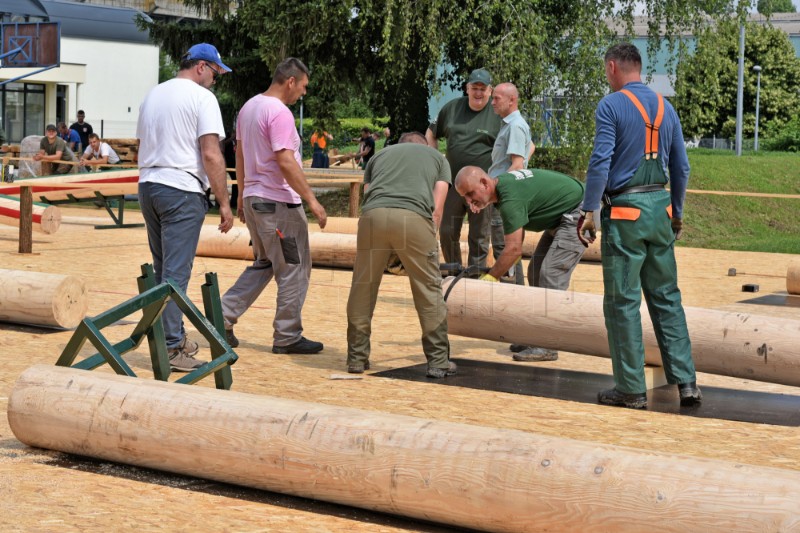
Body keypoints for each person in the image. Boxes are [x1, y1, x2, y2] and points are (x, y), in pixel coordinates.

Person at [577, 42, 701, 409]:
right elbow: (681, 168)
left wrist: (588, 212)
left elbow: (600, 162)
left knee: (622, 302)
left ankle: (630, 389)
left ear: (612, 67)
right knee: (667, 299)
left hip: (626, 213)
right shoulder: (667, 107)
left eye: (605, 70)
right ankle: (687, 383)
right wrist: (675, 212)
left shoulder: (611, 105)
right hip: (660, 209)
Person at [136, 42, 234, 372]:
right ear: (202, 67)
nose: (216, 80)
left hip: (149, 185)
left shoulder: (154, 94)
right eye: (216, 72)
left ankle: (173, 336)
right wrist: (224, 201)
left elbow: (143, 143)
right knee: (176, 273)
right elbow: (210, 153)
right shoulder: (201, 97)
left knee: (163, 268)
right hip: (181, 189)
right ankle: (169, 347)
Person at [220, 57, 328, 355]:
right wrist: (312, 200)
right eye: (303, 87)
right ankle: (287, 335)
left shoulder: (248, 108)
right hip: (280, 206)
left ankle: (222, 314)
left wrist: (242, 196)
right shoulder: (279, 113)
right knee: (294, 267)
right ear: (290, 81)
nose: (303, 93)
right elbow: (284, 160)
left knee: (266, 262)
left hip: (257, 202)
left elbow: (240, 156)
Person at [346, 132, 454, 378]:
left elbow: (369, 194)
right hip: (414, 217)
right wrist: (428, 242)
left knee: (363, 287)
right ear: (423, 146)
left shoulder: (379, 156)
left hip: (373, 216)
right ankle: (438, 361)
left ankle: (356, 358)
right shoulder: (438, 158)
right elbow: (437, 208)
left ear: (400, 144)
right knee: (428, 290)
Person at [455, 166, 587, 362]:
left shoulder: (509, 199)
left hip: (579, 213)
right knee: (535, 272)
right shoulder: (503, 191)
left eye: (470, 194)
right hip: (562, 217)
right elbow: (517, 238)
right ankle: (536, 337)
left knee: (550, 274)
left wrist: (492, 276)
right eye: (464, 198)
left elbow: (514, 249)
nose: (468, 201)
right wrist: (502, 268)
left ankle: (547, 345)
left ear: (484, 183)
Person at [426, 68, 501, 269]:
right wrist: (436, 163)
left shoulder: (497, 114)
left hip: (481, 188)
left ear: (490, 90)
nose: (478, 93)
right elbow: (430, 134)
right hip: (452, 183)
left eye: (482, 89)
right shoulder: (452, 108)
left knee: (479, 235)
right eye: (474, 88)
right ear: (467, 88)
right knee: (447, 231)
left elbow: (521, 145)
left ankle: (475, 277)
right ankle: (453, 271)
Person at [488, 82, 533, 286]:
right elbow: (530, 147)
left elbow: (517, 165)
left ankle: (513, 296)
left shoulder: (514, 126)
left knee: (505, 249)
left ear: (511, 100)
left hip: (504, 197)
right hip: (505, 196)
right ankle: (515, 294)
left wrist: (492, 191)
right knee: (508, 250)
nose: (492, 102)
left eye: (497, 98)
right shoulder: (512, 124)